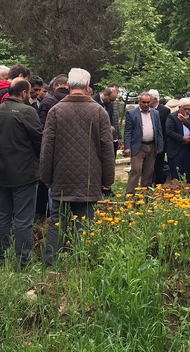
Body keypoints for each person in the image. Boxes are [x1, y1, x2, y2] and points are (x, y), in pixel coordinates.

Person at [41, 68, 115, 266]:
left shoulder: (55, 110)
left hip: (61, 176)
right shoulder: (99, 111)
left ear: (68, 86)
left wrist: (46, 177)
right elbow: (107, 147)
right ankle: (81, 264)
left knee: (57, 222)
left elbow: (47, 146)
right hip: (89, 177)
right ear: (88, 86)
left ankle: (50, 265)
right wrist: (108, 179)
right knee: (85, 222)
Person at [0, 79, 42, 269]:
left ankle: (1, 256)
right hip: (24, 173)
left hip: (1, 171)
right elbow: (39, 140)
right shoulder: (28, 111)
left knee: (3, 215)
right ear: (23, 93)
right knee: (23, 219)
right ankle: (23, 260)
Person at [124, 93, 164, 193]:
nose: (146, 104)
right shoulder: (132, 113)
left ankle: (145, 195)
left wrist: (160, 145)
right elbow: (128, 131)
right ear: (139, 102)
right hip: (138, 146)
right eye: (144, 102)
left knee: (148, 172)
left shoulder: (155, 113)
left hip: (152, 146)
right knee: (136, 170)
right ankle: (130, 194)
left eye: (148, 102)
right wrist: (127, 147)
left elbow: (158, 130)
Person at [165, 98, 190, 184]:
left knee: (188, 174)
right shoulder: (172, 117)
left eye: (188, 109)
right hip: (176, 149)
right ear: (179, 107)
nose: (186, 111)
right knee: (177, 175)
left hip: (188, 149)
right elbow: (169, 131)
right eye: (184, 108)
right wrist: (182, 138)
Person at [149, 90, 171, 184]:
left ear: (154, 98)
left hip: (160, 142)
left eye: (149, 97)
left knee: (159, 165)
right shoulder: (147, 110)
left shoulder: (164, 110)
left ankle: (159, 183)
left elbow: (165, 128)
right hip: (149, 142)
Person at [93, 84, 120, 157]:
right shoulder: (93, 101)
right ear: (105, 95)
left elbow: (111, 120)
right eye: (111, 100)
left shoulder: (109, 104)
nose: (112, 102)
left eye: (113, 100)